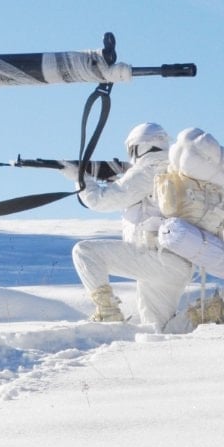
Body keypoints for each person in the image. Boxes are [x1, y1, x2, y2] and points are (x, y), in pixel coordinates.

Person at [65, 122, 173, 324]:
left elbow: (99, 200)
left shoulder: (148, 170)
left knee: (85, 252)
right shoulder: (173, 170)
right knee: (158, 328)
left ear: (137, 147)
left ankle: (107, 312)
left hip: (153, 258)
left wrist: (79, 177)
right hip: (177, 262)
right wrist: (116, 181)